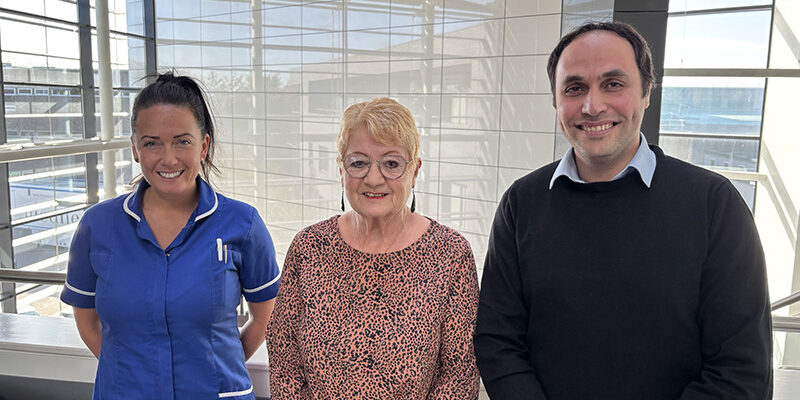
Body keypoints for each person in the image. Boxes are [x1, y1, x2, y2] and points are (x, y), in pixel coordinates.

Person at [474, 22, 772, 400]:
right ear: (555, 101)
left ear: (647, 92)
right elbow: (498, 342)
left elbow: (741, 370)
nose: (592, 105)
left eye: (613, 84)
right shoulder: (522, 203)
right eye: (574, 87)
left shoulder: (714, 204)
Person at [60, 73, 280, 399]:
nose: (168, 158)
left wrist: (216, 373)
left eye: (182, 141)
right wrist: (132, 379)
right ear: (135, 148)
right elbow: (88, 323)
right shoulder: (98, 226)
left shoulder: (242, 224)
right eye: (152, 143)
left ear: (203, 145)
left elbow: (266, 318)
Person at [267, 97, 480, 399]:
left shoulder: (450, 254)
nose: (374, 178)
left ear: (415, 171)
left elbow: (458, 376)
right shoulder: (308, 248)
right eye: (359, 163)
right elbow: (284, 357)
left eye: (391, 163)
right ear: (341, 169)